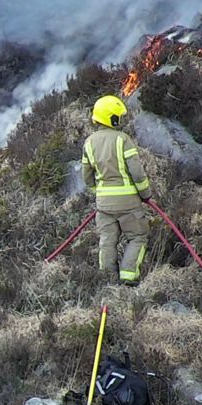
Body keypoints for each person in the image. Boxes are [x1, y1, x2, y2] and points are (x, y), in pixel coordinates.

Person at [81, 95, 152, 287]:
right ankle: (128, 277)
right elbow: (137, 172)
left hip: (103, 205)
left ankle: (107, 280)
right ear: (111, 118)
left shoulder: (89, 142)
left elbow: (86, 177)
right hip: (128, 203)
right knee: (137, 237)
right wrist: (145, 194)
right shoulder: (123, 140)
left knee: (107, 241)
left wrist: (100, 192)